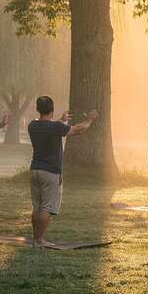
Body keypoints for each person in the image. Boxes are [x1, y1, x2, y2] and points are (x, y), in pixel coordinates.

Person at [27, 96, 99, 247]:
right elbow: (78, 130)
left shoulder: (32, 125)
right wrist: (90, 120)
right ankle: (40, 240)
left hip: (35, 170)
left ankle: (35, 238)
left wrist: (62, 119)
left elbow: (51, 127)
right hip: (51, 171)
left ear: (37, 109)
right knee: (46, 207)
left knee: (37, 206)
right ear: (51, 110)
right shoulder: (55, 127)